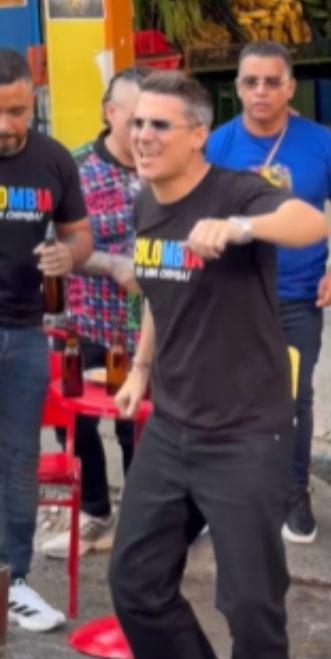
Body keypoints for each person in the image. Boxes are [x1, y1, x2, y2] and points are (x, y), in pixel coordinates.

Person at [108, 70, 328, 659]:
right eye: (137, 123)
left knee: (252, 607)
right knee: (135, 584)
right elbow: (163, 291)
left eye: (160, 125)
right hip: (171, 426)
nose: (143, 136)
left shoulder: (237, 192)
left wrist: (240, 228)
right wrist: (141, 369)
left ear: (198, 134)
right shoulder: (146, 201)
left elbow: (311, 223)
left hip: (244, 434)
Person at [206, 41, 331, 545]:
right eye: (251, 81)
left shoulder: (322, 144)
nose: (261, 91)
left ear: (291, 87)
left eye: (272, 82)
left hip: (297, 296)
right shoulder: (216, 145)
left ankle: (295, 492)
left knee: (294, 398)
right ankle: (228, 493)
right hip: (232, 296)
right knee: (229, 395)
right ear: (237, 87)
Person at [39, 67, 149, 562]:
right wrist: (110, 264)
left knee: (139, 425)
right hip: (82, 321)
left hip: (147, 325)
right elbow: (51, 242)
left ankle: (147, 520)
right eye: (137, 118)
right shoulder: (75, 167)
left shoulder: (168, 163)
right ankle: (94, 510)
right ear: (111, 113)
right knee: (76, 422)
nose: (146, 130)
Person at [0, 47, 93, 633]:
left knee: (18, 459)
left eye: (16, 111)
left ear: (33, 100)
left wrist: (69, 256)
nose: (6, 125)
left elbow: (79, 235)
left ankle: (13, 579)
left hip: (25, 332)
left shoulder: (54, 159)